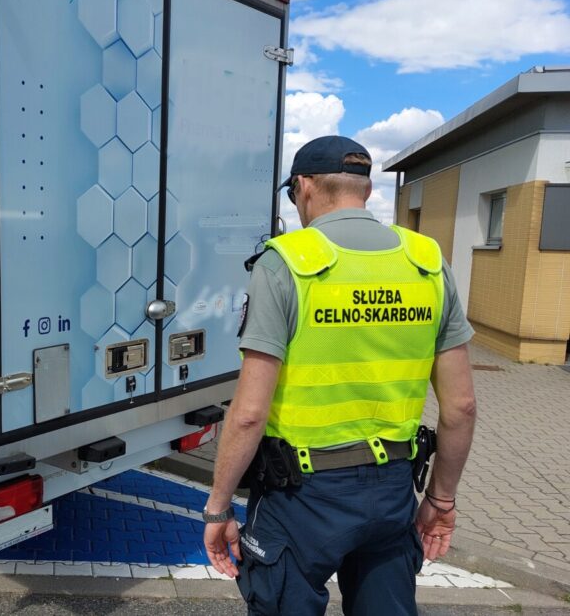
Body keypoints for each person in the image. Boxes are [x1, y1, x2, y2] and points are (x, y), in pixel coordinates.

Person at [201, 136, 477, 615]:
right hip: (393, 492)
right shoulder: (427, 262)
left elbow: (248, 414)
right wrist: (441, 500)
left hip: (301, 497)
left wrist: (219, 507)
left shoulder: (285, 263)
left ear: (305, 187)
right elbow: (461, 407)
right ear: (365, 190)